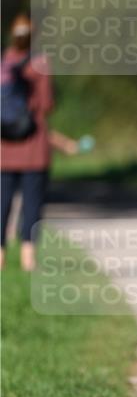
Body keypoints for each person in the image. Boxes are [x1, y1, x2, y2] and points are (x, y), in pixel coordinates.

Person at [1, 14, 54, 271]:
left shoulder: (3, 61)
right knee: (32, 202)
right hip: (33, 145)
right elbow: (46, 104)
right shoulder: (40, 63)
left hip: (4, 146)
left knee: (2, 202)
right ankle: (28, 259)